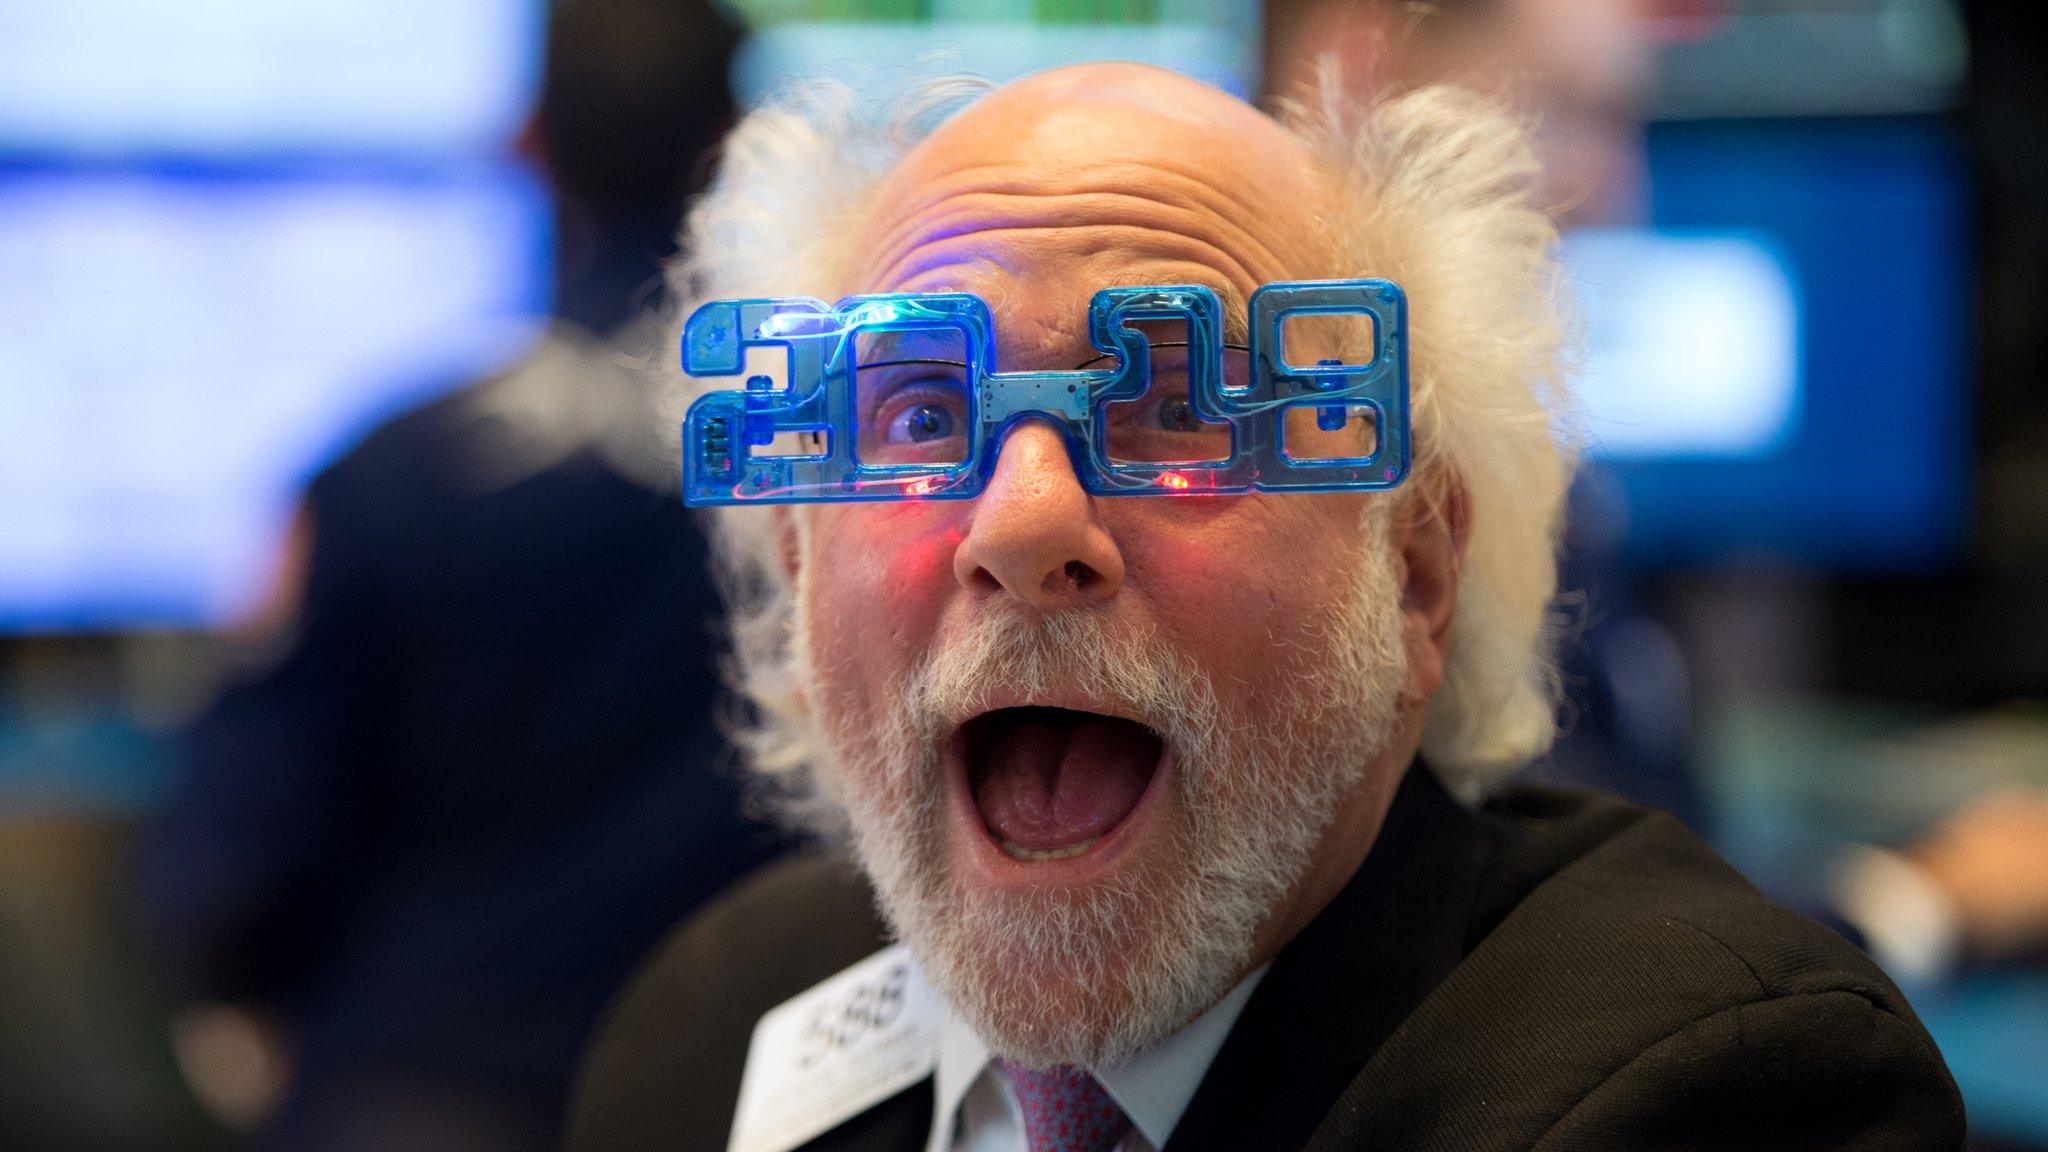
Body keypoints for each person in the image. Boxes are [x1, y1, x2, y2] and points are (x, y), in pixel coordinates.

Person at [567, 63, 1964, 1151]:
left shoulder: (1702, 1093)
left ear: (1413, 571)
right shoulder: (708, 1032)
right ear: (803, 561)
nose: (1025, 524)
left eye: (1180, 406)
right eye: (927, 412)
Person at [133, 1, 786, 1149]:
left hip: (426, 1090)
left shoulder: (381, 473)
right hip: (762, 1085)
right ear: (737, 145)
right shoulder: (833, 473)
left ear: (525, 142)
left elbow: (237, 856)